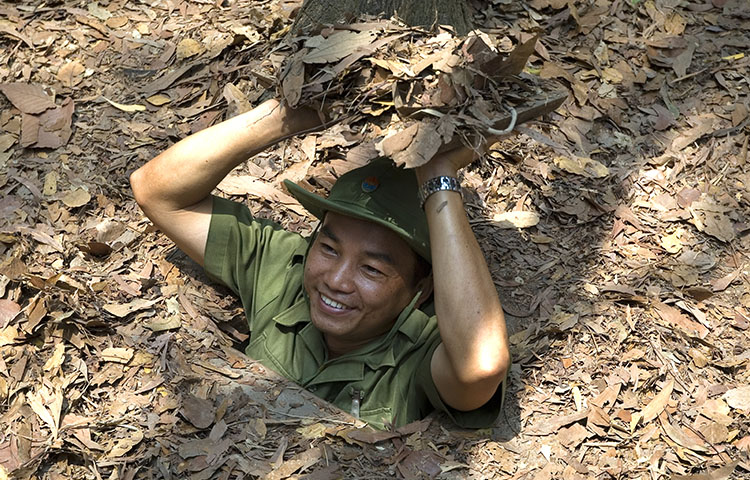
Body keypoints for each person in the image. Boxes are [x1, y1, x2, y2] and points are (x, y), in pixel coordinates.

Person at [129, 98, 510, 429]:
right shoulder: (283, 269)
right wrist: (290, 115)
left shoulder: (419, 351)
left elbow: (482, 364)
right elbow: (156, 191)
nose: (337, 280)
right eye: (329, 248)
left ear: (422, 287)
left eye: (371, 269)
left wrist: (438, 173)